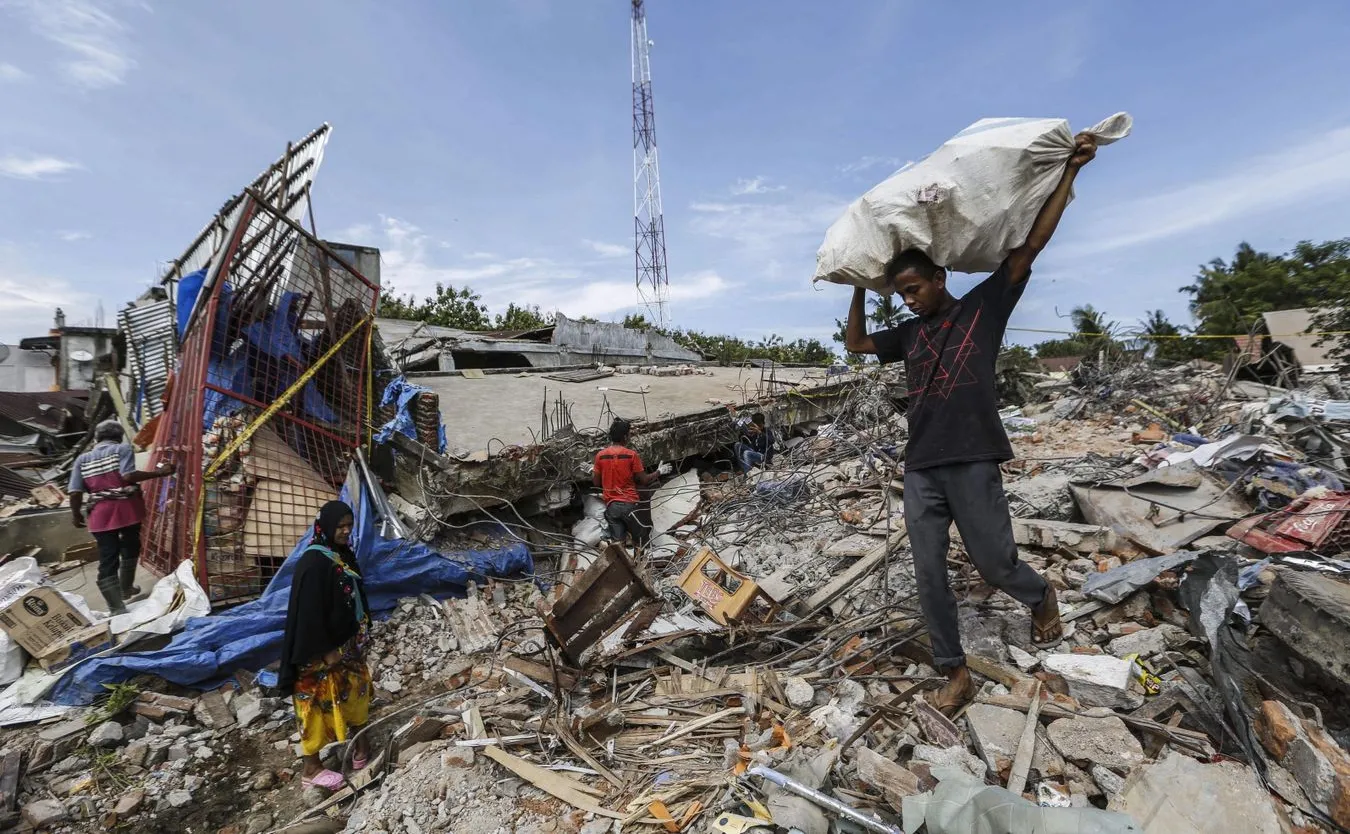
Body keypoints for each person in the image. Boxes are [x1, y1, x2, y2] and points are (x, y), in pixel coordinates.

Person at [842, 133, 1098, 716]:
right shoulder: (907, 335)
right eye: (900, 293)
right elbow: (856, 343)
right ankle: (953, 671)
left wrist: (1071, 173)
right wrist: (860, 284)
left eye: (913, 290)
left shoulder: (983, 308)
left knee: (994, 562)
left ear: (939, 278)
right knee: (928, 572)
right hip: (921, 467)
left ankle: (1040, 595)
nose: (907, 301)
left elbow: (1030, 245)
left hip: (974, 455)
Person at [278, 501, 373, 793]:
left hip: (346, 644)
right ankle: (311, 769)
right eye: (340, 526)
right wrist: (324, 649)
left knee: (357, 689)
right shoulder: (313, 563)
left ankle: (361, 743)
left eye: (349, 525)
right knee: (314, 702)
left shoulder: (340, 554)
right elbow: (307, 614)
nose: (345, 531)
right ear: (326, 526)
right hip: (317, 651)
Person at [68, 420, 175, 614]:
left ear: (97, 438)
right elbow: (128, 476)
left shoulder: (81, 459)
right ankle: (125, 588)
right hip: (127, 510)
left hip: (99, 514)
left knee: (108, 557)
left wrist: (76, 515)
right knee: (131, 545)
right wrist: (159, 473)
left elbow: (75, 492)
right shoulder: (122, 449)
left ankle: (116, 607)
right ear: (118, 437)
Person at [593, 418, 670, 545]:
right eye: (628, 434)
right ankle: (640, 563)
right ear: (625, 436)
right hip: (630, 506)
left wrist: (596, 471)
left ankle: (621, 563)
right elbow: (644, 480)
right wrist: (659, 472)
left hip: (612, 508)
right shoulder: (631, 455)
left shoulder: (600, 456)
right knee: (641, 542)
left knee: (618, 545)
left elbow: (596, 482)